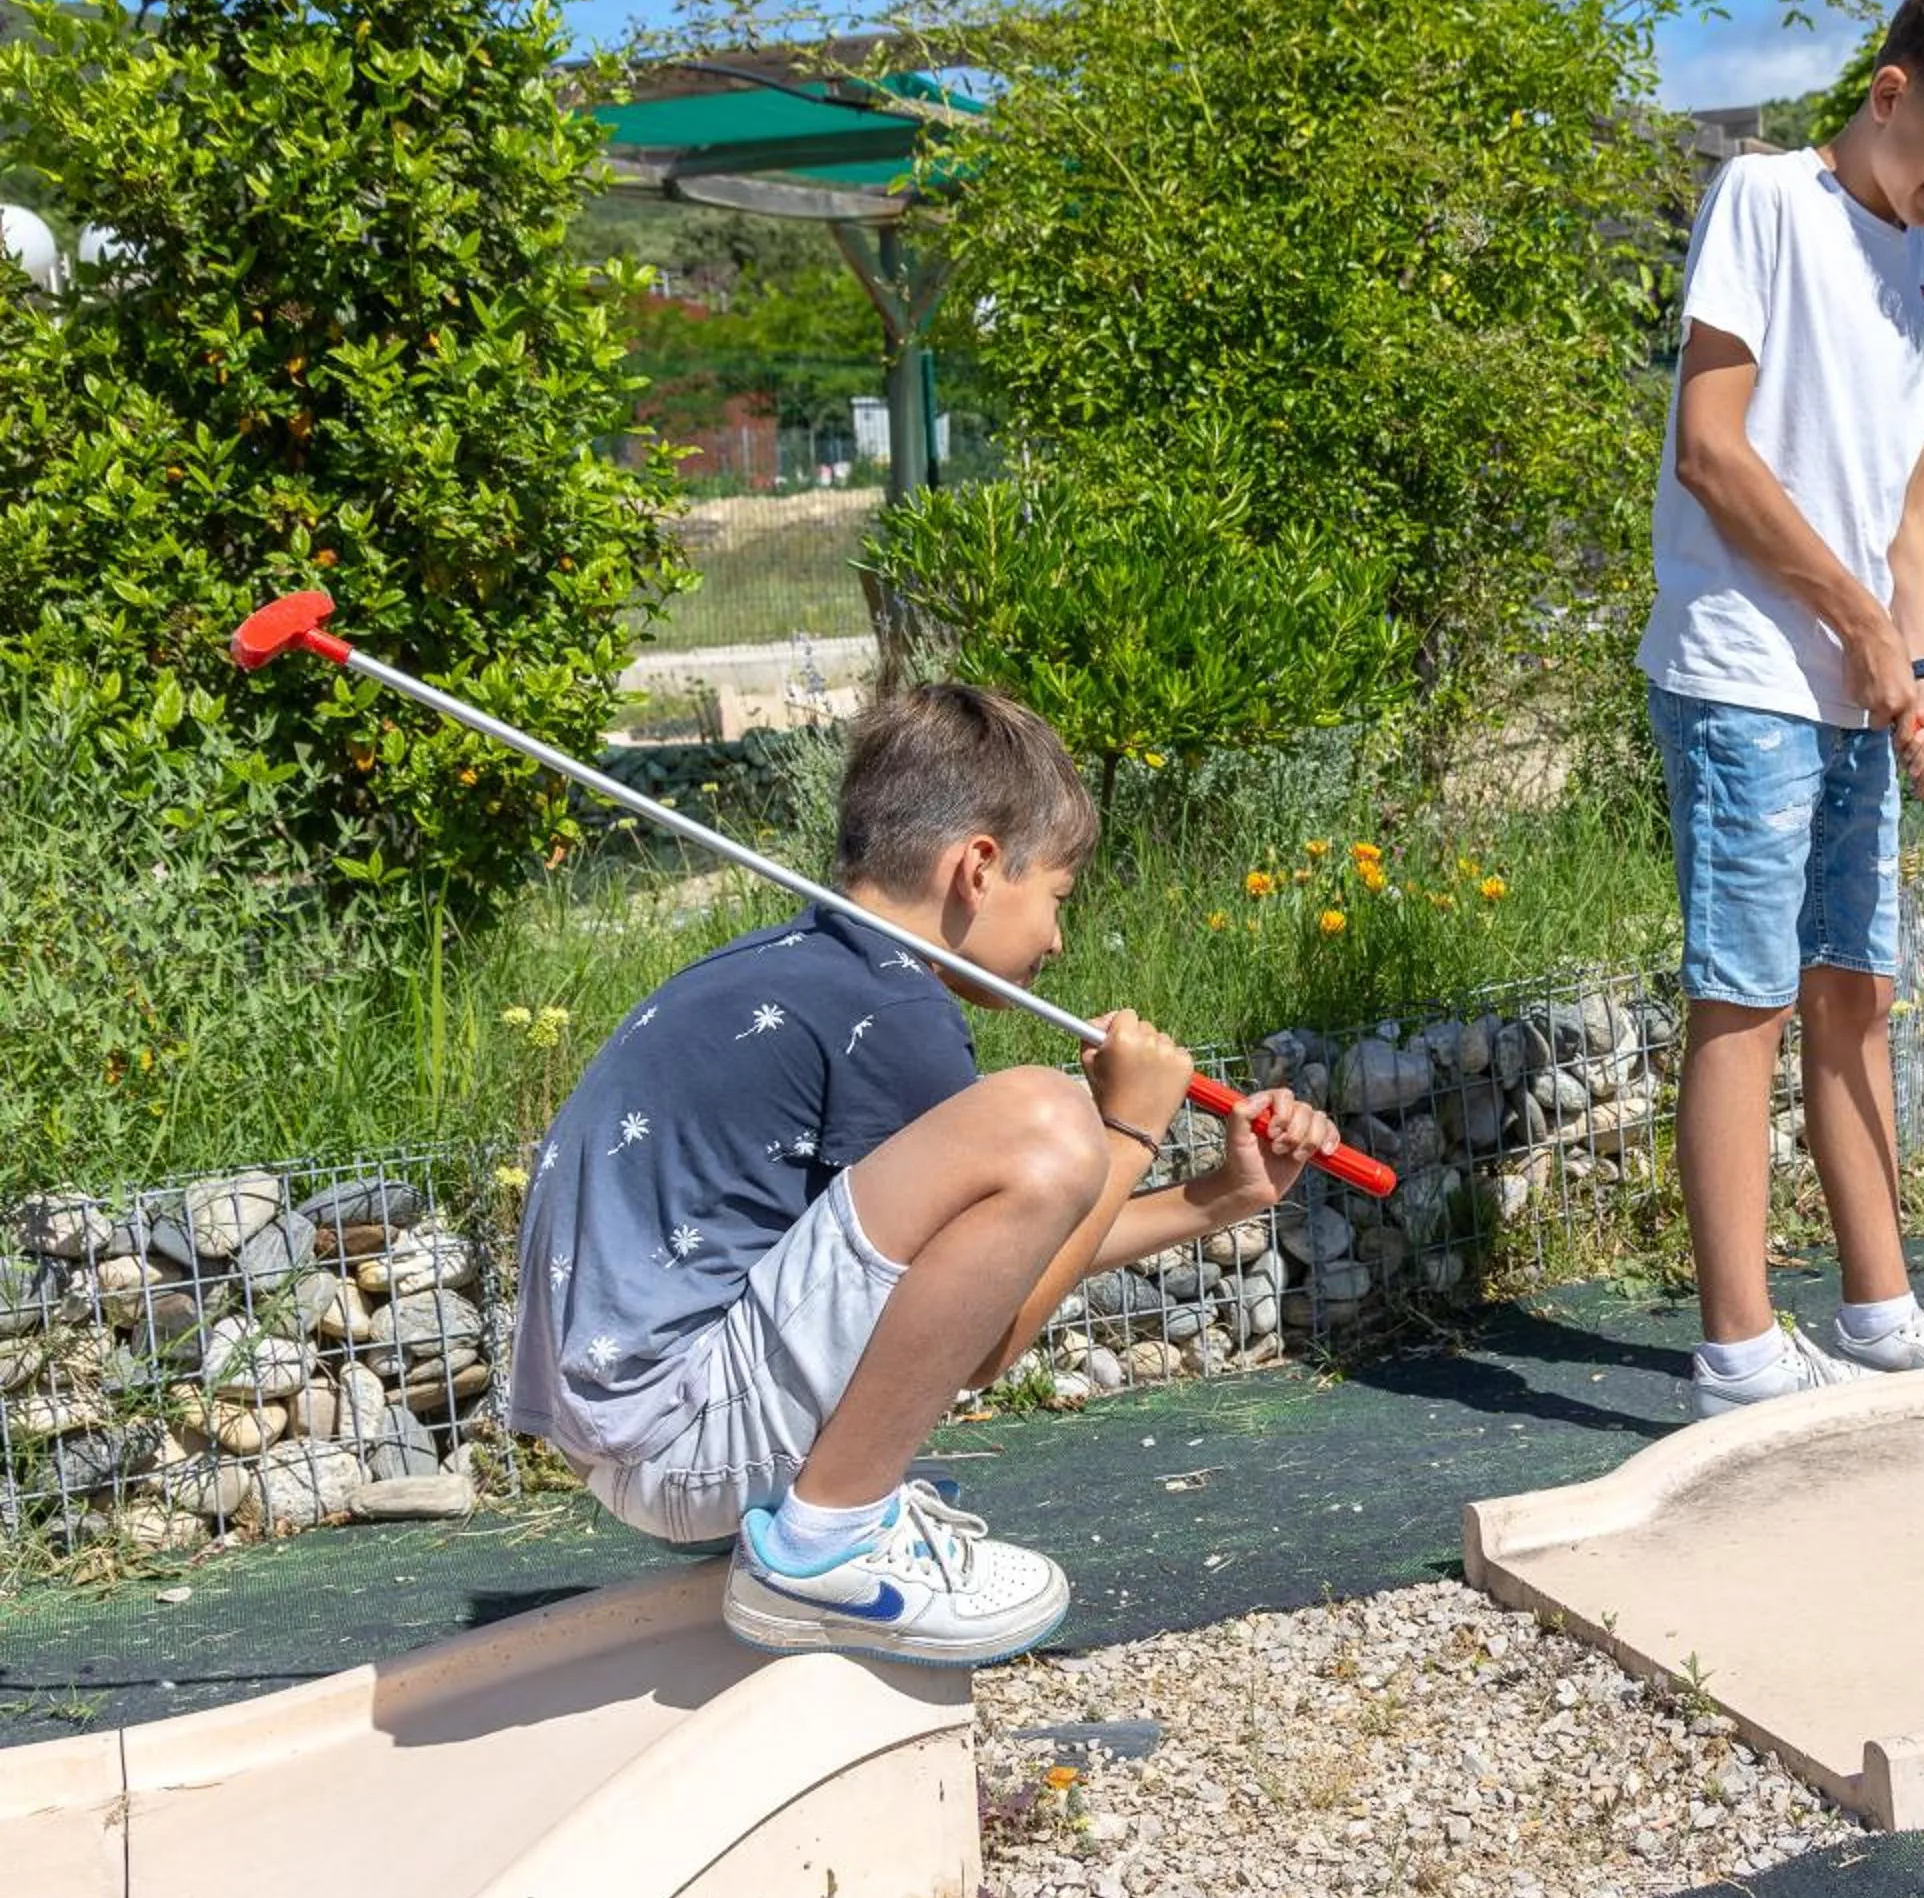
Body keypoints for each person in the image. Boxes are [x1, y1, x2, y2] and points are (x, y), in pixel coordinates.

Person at [508, 683, 1337, 1664]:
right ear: (979, 868)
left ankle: (825, 1513)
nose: (1059, 941)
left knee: (1046, 1137)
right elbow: (980, 1343)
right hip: (681, 1439)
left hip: (636, 1433)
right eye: (1058, 899)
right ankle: (824, 1545)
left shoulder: (803, 970)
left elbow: (961, 1264)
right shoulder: (894, 1015)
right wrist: (1125, 1130)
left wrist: (1221, 1197)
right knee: (1043, 1115)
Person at [1638, 0, 1924, 1415]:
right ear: (1890, 91)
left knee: (1855, 993)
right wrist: (1859, 629)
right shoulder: (1767, 200)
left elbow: (1908, 501)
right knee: (1745, 1003)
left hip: (1861, 687)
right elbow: (1714, 449)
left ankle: (1880, 1313)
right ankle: (1739, 1352)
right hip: (1746, 667)